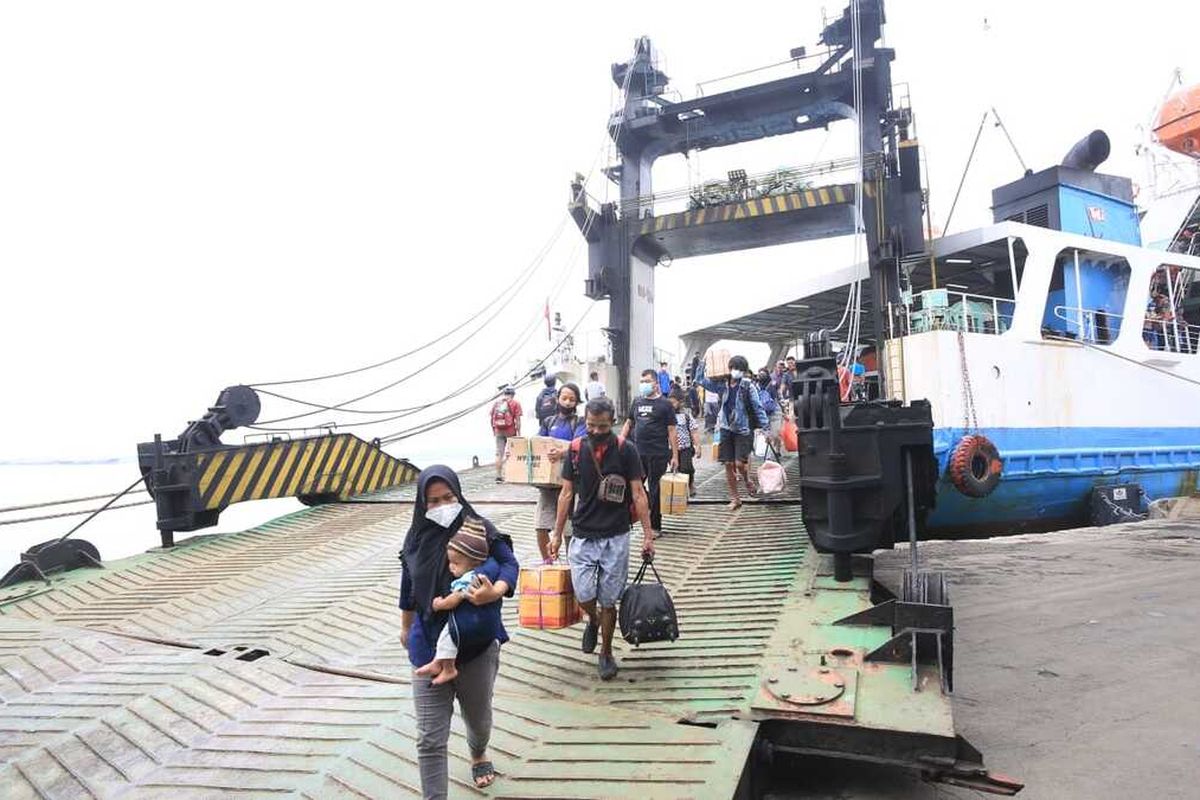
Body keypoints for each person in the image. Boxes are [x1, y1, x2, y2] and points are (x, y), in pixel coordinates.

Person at [400, 466, 519, 795]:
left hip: (476, 643)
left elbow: (509, 563)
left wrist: (494, 592)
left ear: (459, 495)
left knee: (479, 720)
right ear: (422, 504)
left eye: (448, 498)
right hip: (426, 646)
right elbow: (409, 586)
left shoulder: (478, 528)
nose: (441, 506)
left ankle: (478, 750)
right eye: (433, 501)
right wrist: (406, 626)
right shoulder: (415, 539)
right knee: (429, 738)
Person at [550, 397, 654, 681]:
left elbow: (638, 493)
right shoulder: (574, 450)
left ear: (613, 422)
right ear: (585, 421)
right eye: (591, 426)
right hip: (582, 533)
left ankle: (606, 652)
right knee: (583, 593)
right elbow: (566, 494)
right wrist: (557, 534)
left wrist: (647, 534)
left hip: (616, 535)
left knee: (609, 600)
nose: (596, 431)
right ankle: (592, 620)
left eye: (603, 426)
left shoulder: (626, 450)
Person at [415, 522, 504, 686]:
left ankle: (448, 668)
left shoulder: (469, 578)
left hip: (465, 622)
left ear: (474, 563)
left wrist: (439, 604)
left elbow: (454, 599)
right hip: (473, 622)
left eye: (456, 564)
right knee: (445, 639)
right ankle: (438, 662)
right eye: (450, 562)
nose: (450, 567)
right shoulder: (486, 568)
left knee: (447, 637)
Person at [694, 354, 770, 510]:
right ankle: (735, 498)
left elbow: (758, 408)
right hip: (726, 428)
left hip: (743, 429)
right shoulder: (723, 384)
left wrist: (766, 429)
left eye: (740, 369)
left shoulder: (748, 386)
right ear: (729, 369)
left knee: (739, 463)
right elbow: (701, 381)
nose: (736, 372)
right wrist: (702, 363)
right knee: (728, 464)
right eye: (734, 368)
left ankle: (747, 479)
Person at [621, 369, 678, 538]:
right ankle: (627, 521)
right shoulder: (637, 402)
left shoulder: (665, 404)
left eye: (647, 381)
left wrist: (674, 456)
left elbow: (672, 431)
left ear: (655, 383)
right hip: (637, 453)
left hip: (658, 454)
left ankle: (655, 526)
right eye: (642, 381)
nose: (644, 384)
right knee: (632, 488)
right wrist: (620, 441)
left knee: (655, 490)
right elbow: (629, 422)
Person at [534, 382, 585, 561]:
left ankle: (572, 568)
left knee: (568, 531)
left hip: (569, 483)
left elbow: (580, 443)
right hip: (547, 484)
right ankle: (547, 562)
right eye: (564, 398)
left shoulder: (579, 421)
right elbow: (537, 443)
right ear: (558, 399)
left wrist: (562, 452)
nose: (567, 402)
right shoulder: (549, 421)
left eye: (572, 399)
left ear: (577, 402)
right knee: (541, 527)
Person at [668, 386, 701, 497]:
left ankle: (690, 484)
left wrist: (698, 446)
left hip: (685, 447)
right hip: (671, 449)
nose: (671, 405)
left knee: (686, 468)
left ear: (680, 402)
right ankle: (679, 491)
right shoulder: (666, 416)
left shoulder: (686, 415)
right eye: (669, 403)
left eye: (673, 402)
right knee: (676, 470)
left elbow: (694, 431)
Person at [489, 386, 521, 483]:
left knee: (499, 453)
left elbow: (491, 418)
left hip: (498, 430)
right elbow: (518, 420)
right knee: (512, 453)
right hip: (510, 431)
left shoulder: (497, 403)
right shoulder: (515, 403)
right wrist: (519, 433)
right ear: (513, 394)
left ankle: (498, 476)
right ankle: (511, 476)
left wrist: (494, 429)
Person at [756, 368, 783, 457]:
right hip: (763, 413)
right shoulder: (756, 387)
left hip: (775, 411)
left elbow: (779, 397)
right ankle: (769, 453)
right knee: (767, 435)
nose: (761, 376)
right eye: (760, 374)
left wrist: (784, 409)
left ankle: (777, 449)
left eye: (763, 374)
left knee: (776, 433)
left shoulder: (773, 384)